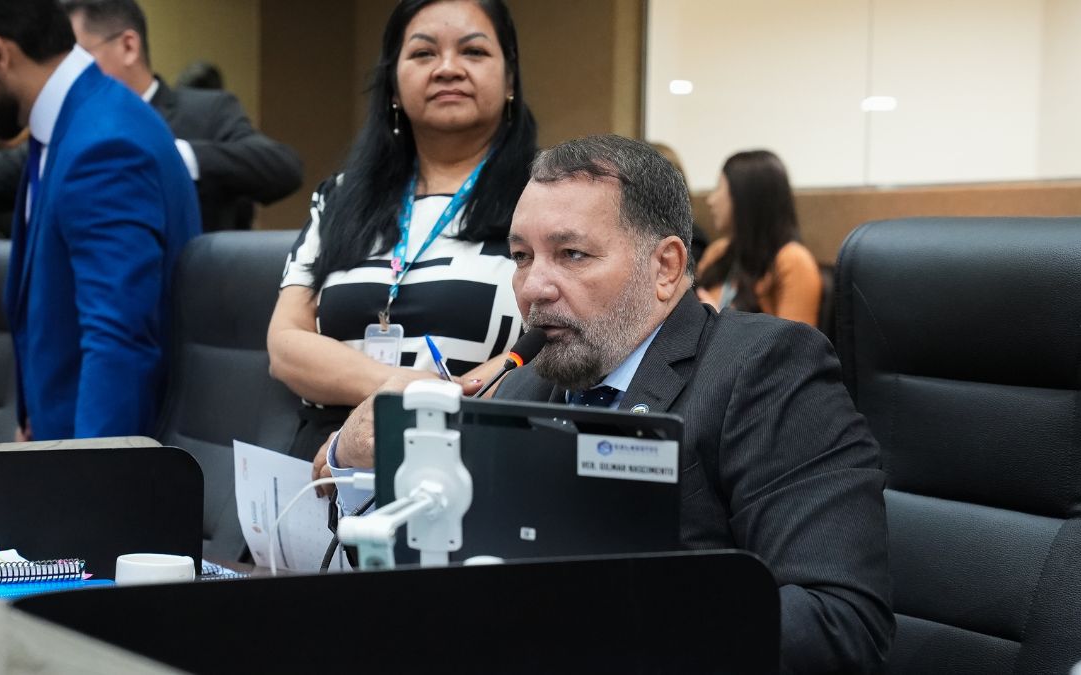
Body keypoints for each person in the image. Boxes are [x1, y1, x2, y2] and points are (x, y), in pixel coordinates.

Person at [328, 136, 893, 673]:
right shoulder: (524, 389)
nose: (533, 288)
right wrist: (357, 472)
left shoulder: (764, 368)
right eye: (521, 256)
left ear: (665, 267)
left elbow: (839, 621)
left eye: (571, 254)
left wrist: (590, 629)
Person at [267, 0, 537, 467]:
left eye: (473, 52)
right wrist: (406, 391)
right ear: (393, 84)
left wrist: (438, 406)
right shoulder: (342, 196)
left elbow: (560, 340)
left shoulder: (546, 193)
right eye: (423, 53)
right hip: (325, 459)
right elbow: (285, 344)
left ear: (510, 79)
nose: (448, 68)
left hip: (471, 450)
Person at [0, 0, 201, 439]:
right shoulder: (71, 125)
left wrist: (80, 472)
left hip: (101, 465)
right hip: (58, 446)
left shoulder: (103, 144)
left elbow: (118, 345)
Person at [0, 0, 301, 238]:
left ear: (128, 46)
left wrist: (165, 155)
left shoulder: (206, 111)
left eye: (77, 56)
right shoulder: (66, 131)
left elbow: (281, 167)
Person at [695, 149, 822, 326]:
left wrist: (720, 324)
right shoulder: (718, 251)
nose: (711, 200)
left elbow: (794, 342)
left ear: (745, 197)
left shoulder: (794, 261)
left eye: (719, 188)